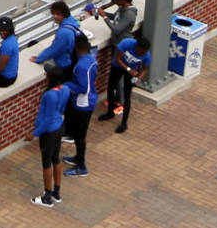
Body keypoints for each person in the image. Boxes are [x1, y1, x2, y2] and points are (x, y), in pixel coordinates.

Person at [31, 62, 70, 207]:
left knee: (46, 163)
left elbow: (47, 119)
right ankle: (56, 192)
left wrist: (34, 134)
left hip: (49, 132)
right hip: (59, 126)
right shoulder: (65, 89)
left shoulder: (49, 95)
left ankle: (47, 197)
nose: (45, 74)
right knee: (56, 158)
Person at [59, 32, 96, 177]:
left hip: (83, 104)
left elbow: (84, 88)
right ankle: (78, 158)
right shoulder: (91, 58)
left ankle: (81, 166)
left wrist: (67, 85)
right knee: (78, 135)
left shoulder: (81, 66)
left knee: (80, 136)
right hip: (86, 102)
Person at [103, 20, 148, 133]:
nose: (141, 54)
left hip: (132, 72)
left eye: (143, 53)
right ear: (136, 46)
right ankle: (110, 112)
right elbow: (117, 59)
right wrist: (128, 69)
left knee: (127, 96)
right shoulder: (127, 43)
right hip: (119, 66)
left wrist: (139, 78)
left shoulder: (147, 55)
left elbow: (146, 68)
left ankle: (124, 123)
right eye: (140, 52)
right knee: (110, 87)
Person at [0, 15, 21, 87]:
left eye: (5, 30)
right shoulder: (12, 38)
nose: (2, 32)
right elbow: (1, 56)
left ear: (10, 30)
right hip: (12, 75)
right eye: (1, 29)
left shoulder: (7, 45)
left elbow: (0, 68)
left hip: (5, 79)